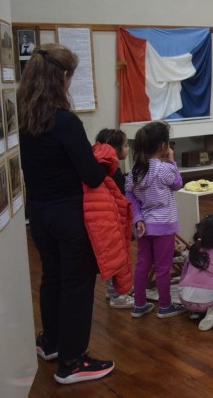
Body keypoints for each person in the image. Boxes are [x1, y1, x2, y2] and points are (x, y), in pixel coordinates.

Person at [18, 43, 114, 384]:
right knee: (76, 285)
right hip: (69, 217)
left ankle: (54, 342)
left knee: (52, 278)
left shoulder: (25, 118)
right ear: (61, 76)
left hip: (39, 215)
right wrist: (105, 161)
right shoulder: (64, 122)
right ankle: (72, 362)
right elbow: (90, 174)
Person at [126, 121, 186, 319]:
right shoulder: (164, 169)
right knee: (163, 267)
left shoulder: (135, 169)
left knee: (143, 264)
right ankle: (165, 306)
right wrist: (172, 161)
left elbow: (130, 194)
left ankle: (139, 304)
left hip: (143, 226)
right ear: (163, 146)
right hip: (164, 225)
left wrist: (138, 218)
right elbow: (178, 184)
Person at [95, 128, 134, 309]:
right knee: (116, 258)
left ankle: (112, 290)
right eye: (125, 146)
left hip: (108, 221)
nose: (128, 149)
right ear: (115, 149)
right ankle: (117, 295)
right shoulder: (112, 173)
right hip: (113, 221)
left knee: (113, 258)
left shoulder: (101, 169)